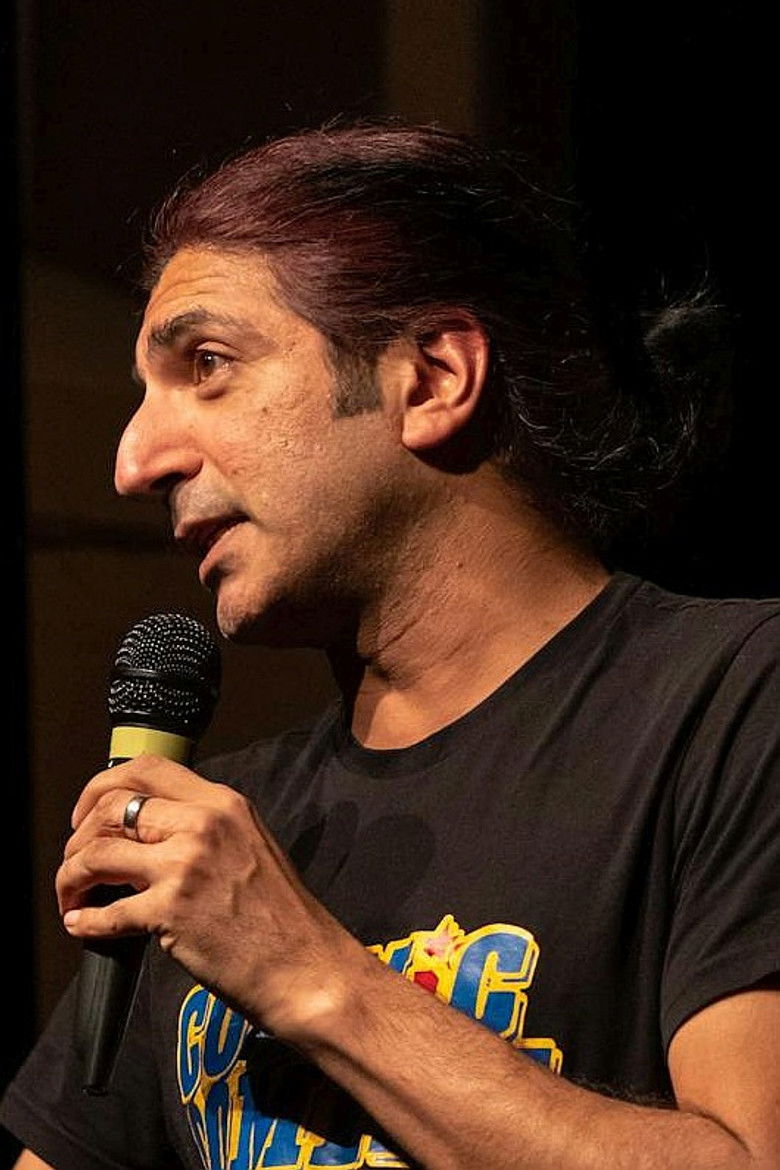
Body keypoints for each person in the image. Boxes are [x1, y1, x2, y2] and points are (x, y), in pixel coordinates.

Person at [2, 121, 779, 1170]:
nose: (135, 461)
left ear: (432, 379)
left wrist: (306, 975)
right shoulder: (224, 831)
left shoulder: (733, 704)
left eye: (209, 364)